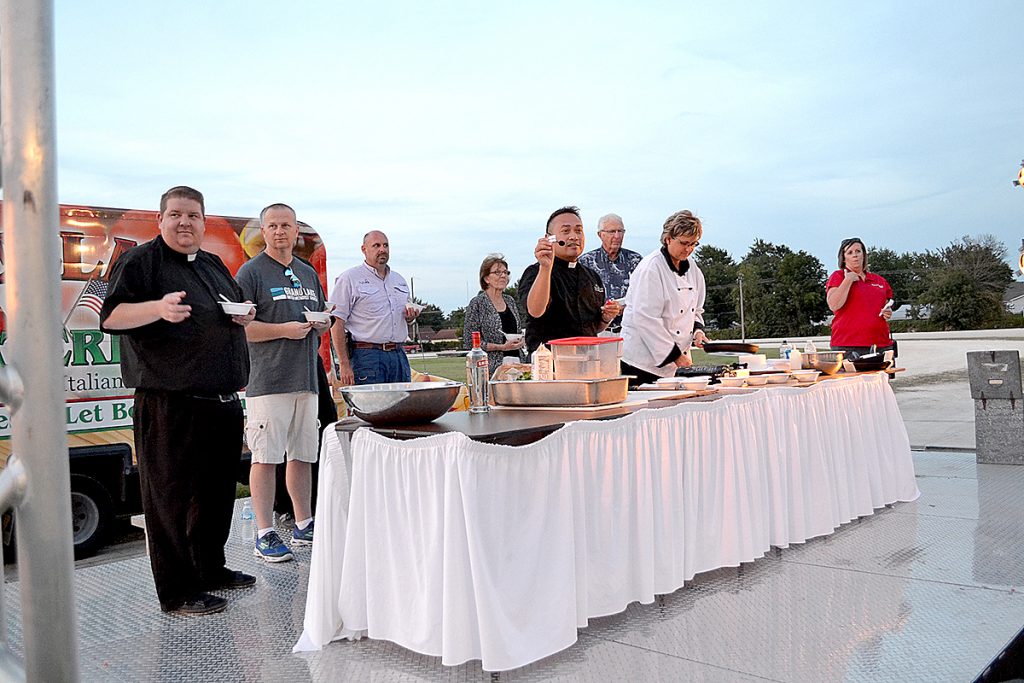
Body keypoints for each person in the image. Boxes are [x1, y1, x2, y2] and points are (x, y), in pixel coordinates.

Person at [99, 186, 256, 616]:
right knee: (170, 499)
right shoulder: (141, 263)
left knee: (216, 494)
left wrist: (242, 315)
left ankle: (211, 569)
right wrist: (157, 309)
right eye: (176, 215)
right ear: (161, 220)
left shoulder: (212, 263)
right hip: (170, 403)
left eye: (193, 215)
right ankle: (178, 592)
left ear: (204, 222)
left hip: (220, 401)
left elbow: (226, 309)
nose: (185, 222)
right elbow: (110, 317)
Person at [235, 203, 330, 563]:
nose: (279, 232)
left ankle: (304, 522)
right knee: (265, 457)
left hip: (306, 379)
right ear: (264, 231)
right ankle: (265, 532)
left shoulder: (307, 273)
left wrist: (323, 324)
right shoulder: (251, 273)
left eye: (285, 225)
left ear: (295, 231)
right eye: (272, 226)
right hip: (269, 380)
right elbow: (242, 330)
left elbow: (322, 315)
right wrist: (284, 332)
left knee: (303, 454)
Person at [620, 210, 709, 388]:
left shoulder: (693, 269)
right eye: (684, 243)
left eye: (693, 244)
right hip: (641, 362)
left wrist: (698, 331)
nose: (689, 249)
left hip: (676, 361)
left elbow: (696, 309)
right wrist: (675, 356)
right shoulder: (650, 268)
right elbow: (645, 318)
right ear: (668, 238)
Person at [518, 206, 621, 355]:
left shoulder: (592, 277)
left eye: (578, 230)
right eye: (566, 231)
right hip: (549, 364)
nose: (574, 236)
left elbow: (594, 326)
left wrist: (606, 317)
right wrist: (545, 267)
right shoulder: (536, 272)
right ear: (550, 238)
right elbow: (535, 311)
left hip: (588, 361)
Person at [329, 231, 421, 385]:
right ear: (364, 249)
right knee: (371, 408)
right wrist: (344, 364)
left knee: (401, 407)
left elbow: (405, 317)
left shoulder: (399, 280)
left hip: (398, 355)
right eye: (376, 245)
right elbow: (336, 321)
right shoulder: (350, 278)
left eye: (385, 245)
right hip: (366, 357)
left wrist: (411, 317)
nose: (382, 249)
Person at [826, 237, 894, 356]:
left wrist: (888, 311)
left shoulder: (879, 281)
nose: (855, 255)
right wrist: (848, 280)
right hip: (847, 345)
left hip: (881, 344)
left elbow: (886, 304)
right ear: (843, 258)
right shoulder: (838, 277)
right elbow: (834, 305)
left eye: (858, 251)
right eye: (850, 252)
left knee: (883, 375)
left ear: (864, 254)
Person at [578, 213, 643, 330]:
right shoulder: (586, 262)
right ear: (600, 234)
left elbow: (645, 294)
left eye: (620, 231)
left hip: (629, 331)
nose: (617, 236)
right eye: (612, 231)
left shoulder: (636, 260)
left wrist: (625, 307)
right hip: (599, 331)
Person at [463, 254, 525, 369]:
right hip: (490, 368)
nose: (503, 276)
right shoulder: (477, 303)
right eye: (497, 272)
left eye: (506, 272)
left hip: (517, 364)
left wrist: (521, 341)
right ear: (486, 278)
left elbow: (517, 330)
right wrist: (502, 347)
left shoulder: (510, 300)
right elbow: (469, 342)